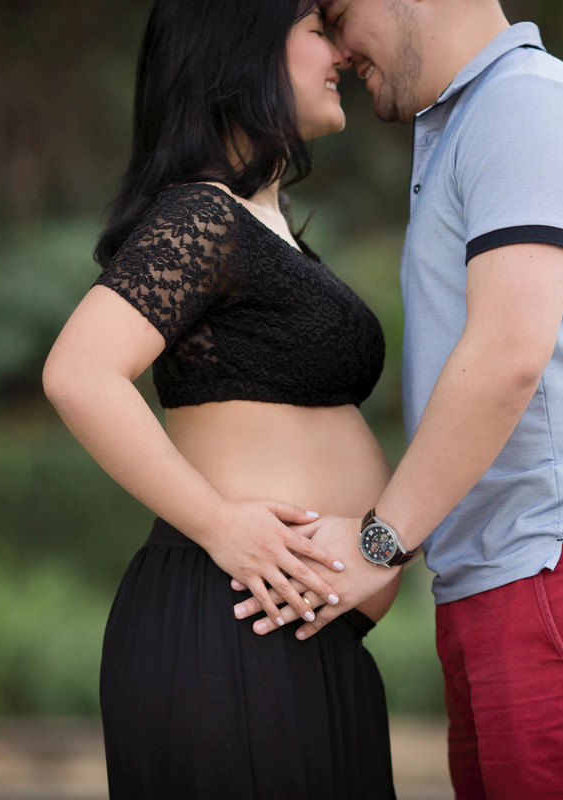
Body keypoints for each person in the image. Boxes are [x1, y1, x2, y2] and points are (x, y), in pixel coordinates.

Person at [236, 1, 563, 797]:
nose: (335, 43)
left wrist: (378, 543)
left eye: (340, 13)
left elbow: (506, 358)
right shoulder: (471, 118)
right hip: (524, 580)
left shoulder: (524, 104)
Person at [42, 1, 399, 797]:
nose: (340, 49)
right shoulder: (203, 215)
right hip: (231, 631)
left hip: (298, 647)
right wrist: (218, 525)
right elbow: (80, 373)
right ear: (247, 54)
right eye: (316, 29)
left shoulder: (265, 229)